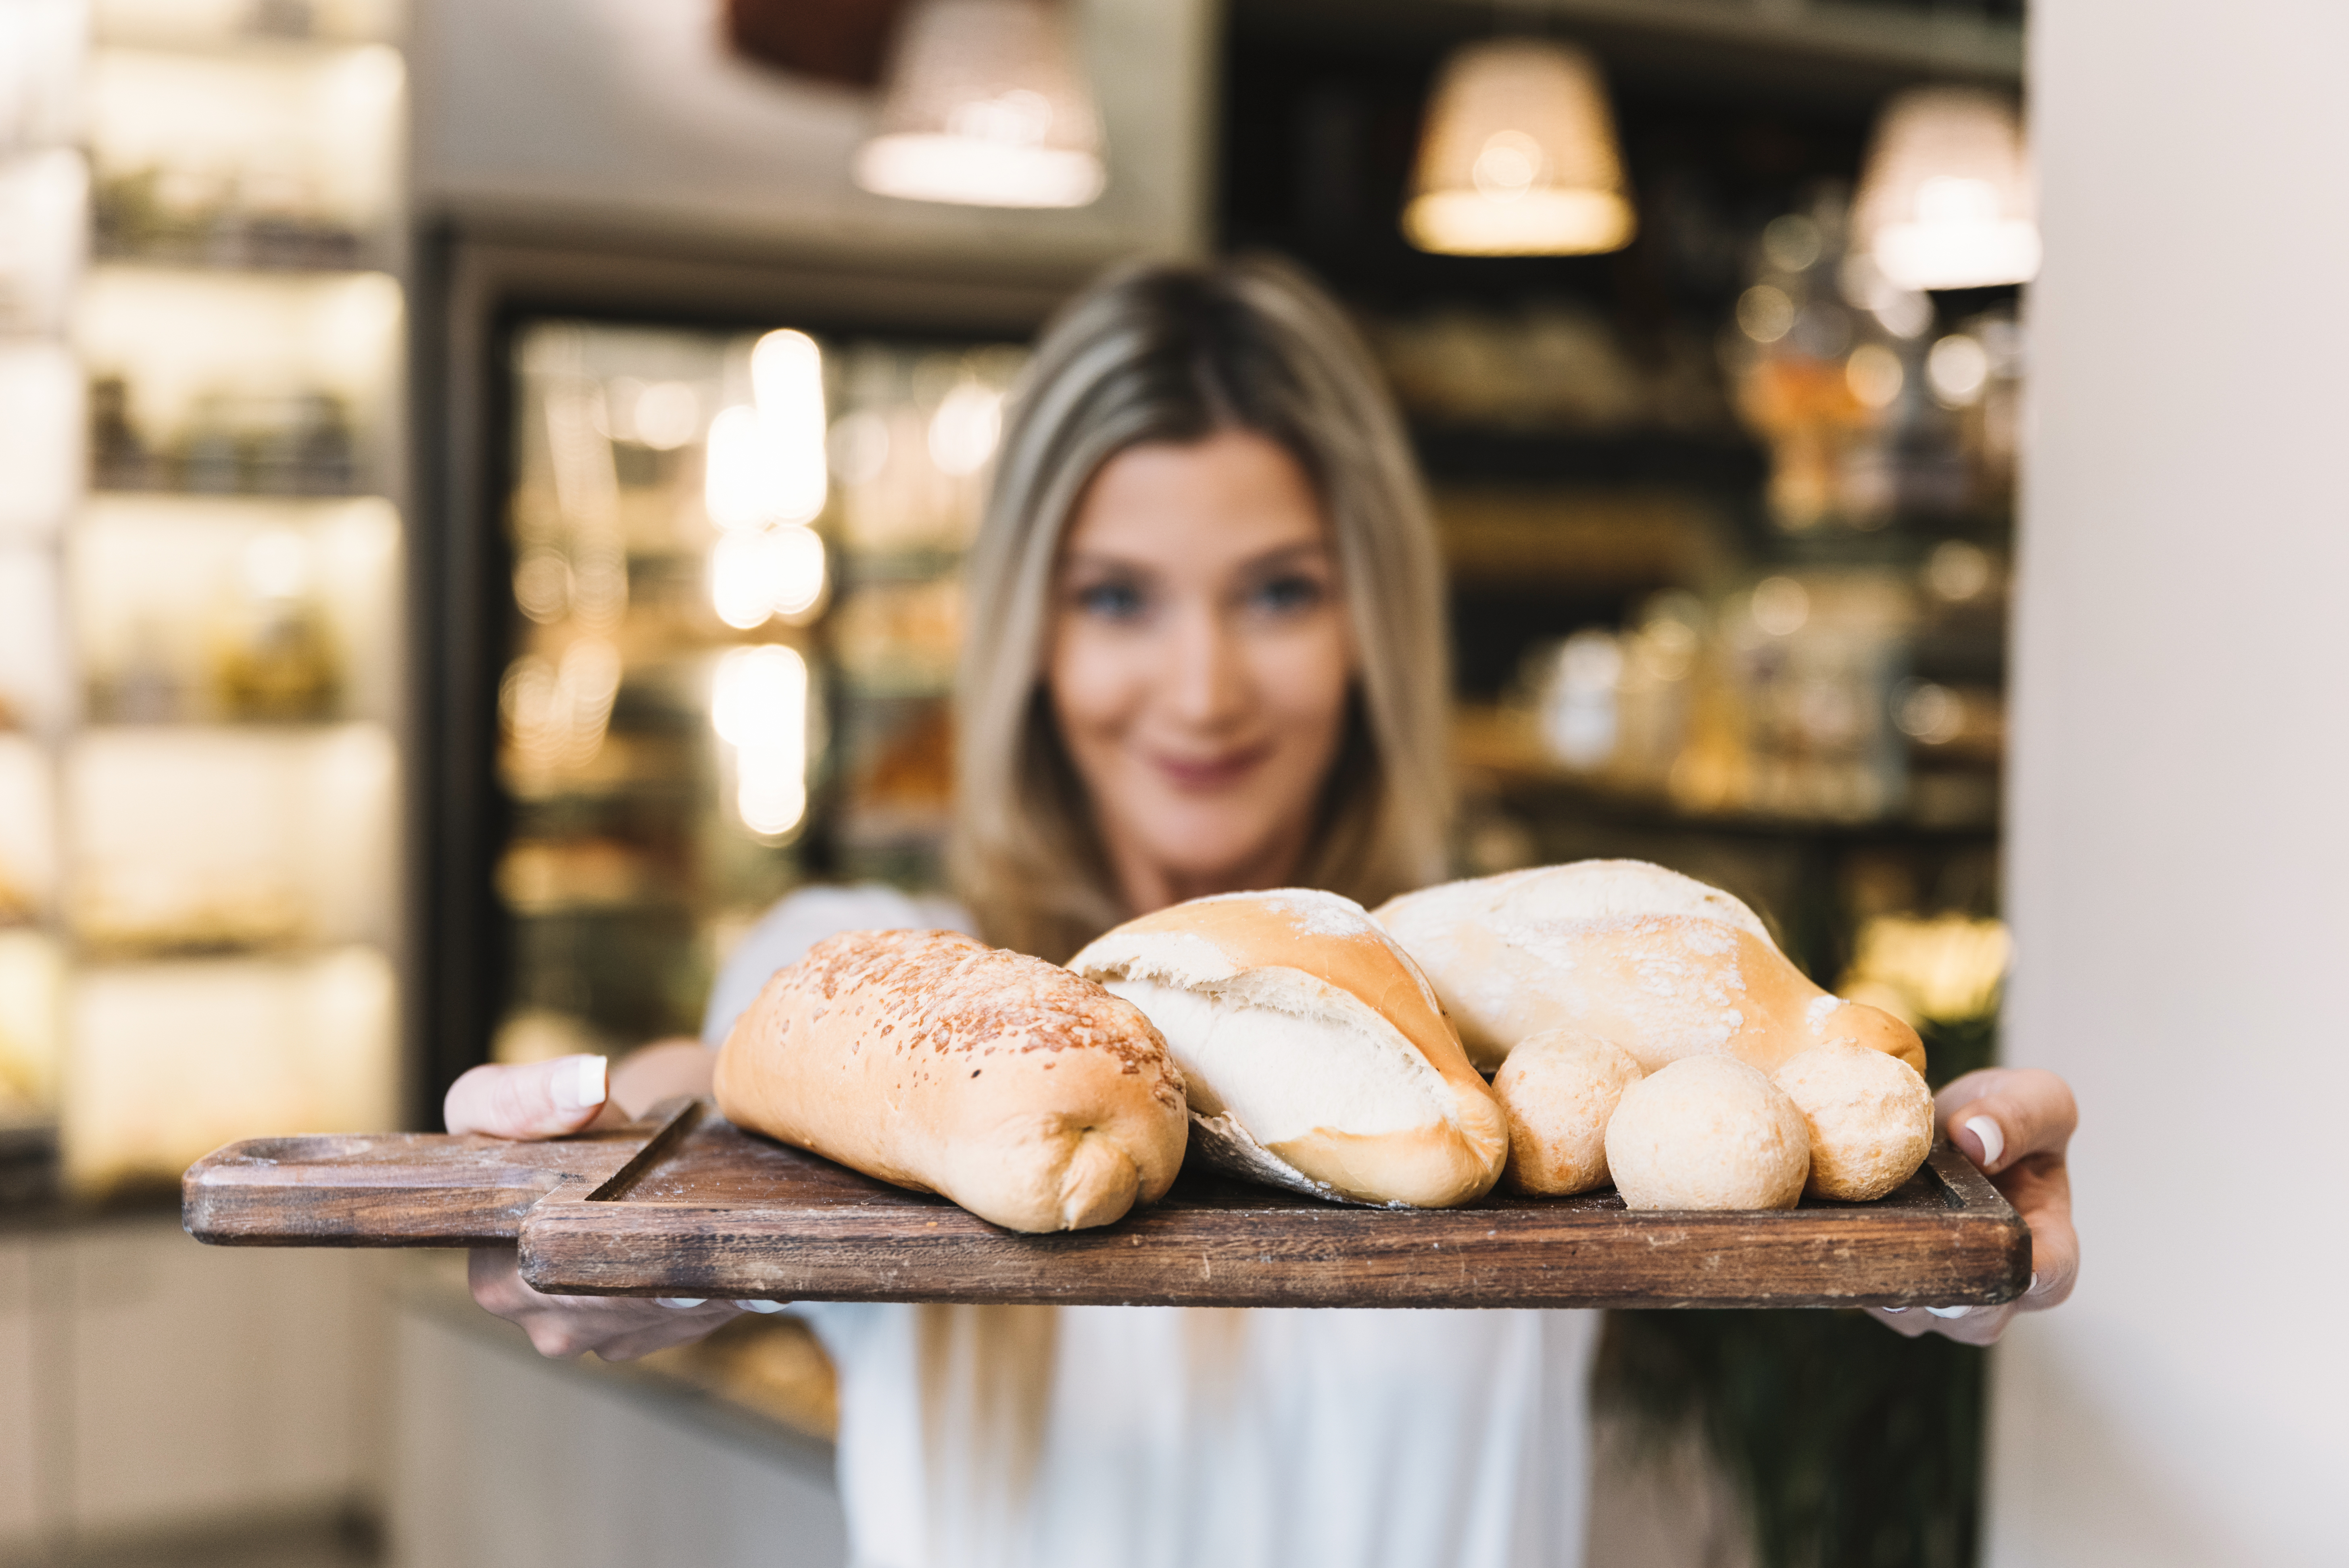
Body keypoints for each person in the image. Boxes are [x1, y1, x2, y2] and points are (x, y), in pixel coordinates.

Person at [449, 257, 2080, 1567]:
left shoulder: (1519, 1026)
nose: (1203, 688)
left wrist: (1940, 1233)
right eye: (1117, 599)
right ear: (1030, 632)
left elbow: (1786, 1157)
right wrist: (602, 1199)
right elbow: (708, 1081)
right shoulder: (902, 1001)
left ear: (1371, 616)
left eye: (1280, 592)